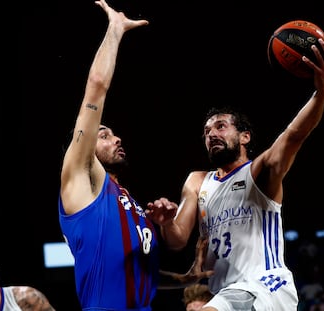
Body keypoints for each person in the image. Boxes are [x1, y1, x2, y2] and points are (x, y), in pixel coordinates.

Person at [146, 36, 324, 310]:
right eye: (207, 132)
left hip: (265, 286)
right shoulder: (198, 181)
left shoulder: (258, 173)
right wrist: (165, 223)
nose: (211, 134)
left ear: (244, 137)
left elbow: (293, 135)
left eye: (221, 127)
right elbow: (177, 240)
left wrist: (321, 94)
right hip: (224, 291)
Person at [57, 0, 212, 310]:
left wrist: (185, 279)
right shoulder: (80, 177)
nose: (116, 138)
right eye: (104, 134)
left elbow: (141, 270)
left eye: (113, 133)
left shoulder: (126, 200)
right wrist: (114, 31)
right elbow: (96, 88)